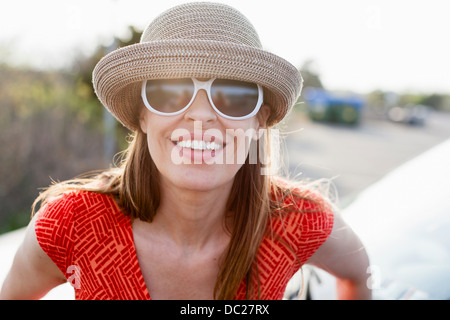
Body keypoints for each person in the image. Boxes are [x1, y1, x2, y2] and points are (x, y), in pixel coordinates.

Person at [0, 2, 371, 300]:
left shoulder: (297, 220)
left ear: (260, 120)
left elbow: (360, 276)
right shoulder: (69, 225)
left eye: (234, 95)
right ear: (143, 116)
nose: (199, 114)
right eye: (170, 91)